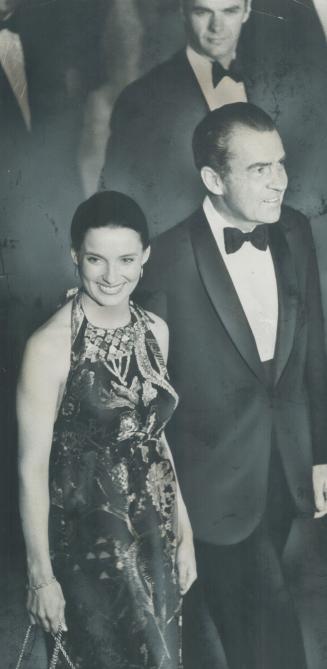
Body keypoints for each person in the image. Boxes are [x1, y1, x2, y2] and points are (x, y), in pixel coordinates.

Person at [141, 102, 327, 669]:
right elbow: (150, 398)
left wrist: (320, 455)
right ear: (212, 179)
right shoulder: (166, 259)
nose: (281, 182)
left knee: (250, 635)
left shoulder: (293, 229)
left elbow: (314, 346)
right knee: (270, 640)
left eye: (281, 164)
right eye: (259, 170)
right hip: (211, 492)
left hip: (284, 472)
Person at [17, 190, 196, 669]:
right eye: (96, 259)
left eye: (126, 259)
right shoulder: (49, 347)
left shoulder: (155, 329)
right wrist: (41, 578)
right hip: (87, 542)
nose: (112, 275)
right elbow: (31, 468)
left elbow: (155, 434)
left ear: (146, 258)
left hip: (155, 532)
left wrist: (185, 530)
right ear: (75, 255)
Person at [102, 0, 327, 236]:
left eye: (229, 11)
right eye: (203, 12)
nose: (217, 27)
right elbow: (115, 203)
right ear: (183, 12)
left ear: (247, 10)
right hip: (184, 260)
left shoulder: (283, 81)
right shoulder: (141, 99)